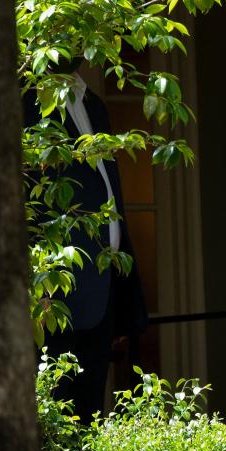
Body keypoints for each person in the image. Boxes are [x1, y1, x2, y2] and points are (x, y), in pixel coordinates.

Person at [24, 67, 148, 423]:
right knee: (50, 418)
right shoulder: (25, 99)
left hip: (103, 286)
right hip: (53, 296)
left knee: (88, 419)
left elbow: (110, 195)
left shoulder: (93, 103)